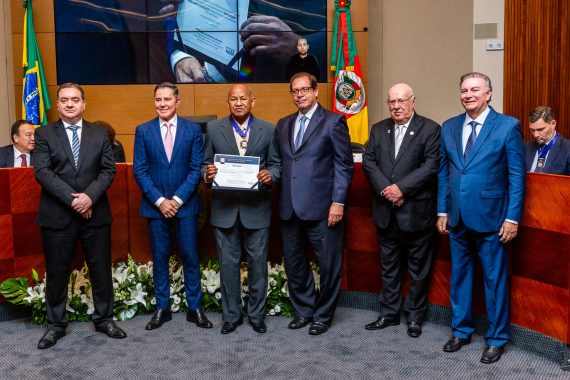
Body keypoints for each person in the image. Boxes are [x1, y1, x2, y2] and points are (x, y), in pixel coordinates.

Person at [437, 72, 525, 364]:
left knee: (494, 280)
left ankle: (497, 339)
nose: (468, 95)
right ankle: (461, 331)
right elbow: (443, 173)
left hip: (493, 219)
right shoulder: (448, 127)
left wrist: (512, 218)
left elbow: (516, 176)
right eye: (464, 90)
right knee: (460, 278)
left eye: (475, 89)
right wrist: (442, 210)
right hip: (458, 218)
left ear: (488, 94)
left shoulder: (507, 126)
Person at [32, 83, 126, 349]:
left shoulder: (99, 134)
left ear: (84, 103)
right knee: (57, 272)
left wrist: (89, 198)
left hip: (94, 213)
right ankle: (55, 325)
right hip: (57, 215)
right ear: (58, 104)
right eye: (64, 100)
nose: (70, 104)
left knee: (100, 269)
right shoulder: (44, 133)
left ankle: (105, 319)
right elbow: (42, 171)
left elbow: (108, 170)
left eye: (75, 99)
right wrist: (74, 200)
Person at [275, 72, 353, 335]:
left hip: (322, 208)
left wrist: (338, 202)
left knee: (329, 264)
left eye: (304, 89)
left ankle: (323, 314)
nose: (300, 94)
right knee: (294, 263)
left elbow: (344, 165)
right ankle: (304, 310)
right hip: (289, 206)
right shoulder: (283, 124)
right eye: (295, 90)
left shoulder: (333, 121)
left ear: (316, 91)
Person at [362, 83, 440, 338]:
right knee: (389, 266)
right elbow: (369, 162)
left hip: (417, 214)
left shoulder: (430, 129)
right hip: (386, 213)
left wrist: (401, 189)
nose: (396, 106)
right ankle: (388, 313)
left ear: (413, 101)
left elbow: (430, 167)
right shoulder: (378, 129)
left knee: (418, 270)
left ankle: (414, 318)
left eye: (401, 101)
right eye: (391, 102)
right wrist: (388, 189)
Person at [202, 84, 281, 334]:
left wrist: (271, 175)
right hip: (224, 210)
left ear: (252, 101)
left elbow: (277, 164)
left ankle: (257, 316)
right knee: (228, 265)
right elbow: (204, 164)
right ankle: (231, 316)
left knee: (258, 265)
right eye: (233, 99)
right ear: (228, 102)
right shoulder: (213, 128)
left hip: (256, 209)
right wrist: (208, 173)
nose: (238, 102)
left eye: (243, 98)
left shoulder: (268, 129)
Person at [133, 82, 212, 331]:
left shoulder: (193, 131)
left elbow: (194, 169)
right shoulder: (143, 130)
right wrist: (160, 201)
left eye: (168, 99)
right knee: (160, 258)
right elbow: (140, 170)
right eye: (158, 99)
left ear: (178, 102)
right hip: (155, 207)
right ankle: (162, 308)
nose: (163, 104)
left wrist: (176, 200)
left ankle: (195, 308)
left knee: (190, 256)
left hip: (185, 207)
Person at [525, 106, 570, 175]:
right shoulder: (525, 147)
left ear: (553, 124)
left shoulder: (567, 149)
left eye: (540, 129)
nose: (535, 135)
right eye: (532, 130)